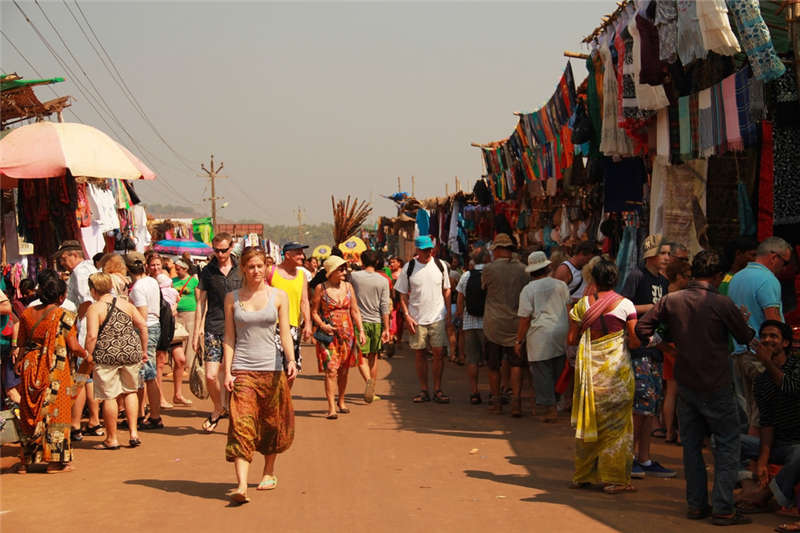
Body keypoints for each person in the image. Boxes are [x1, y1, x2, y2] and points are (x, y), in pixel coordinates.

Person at [635, 250, 756, 525]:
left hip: (687, 383)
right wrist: (743, 323)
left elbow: (642, 329)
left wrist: (665, 346)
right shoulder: (722, 303)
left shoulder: (672, 300)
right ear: (716, 276)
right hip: (716, 384)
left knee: (691, 447)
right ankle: (724, 508)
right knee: (726, 446)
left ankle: (697, 505)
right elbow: (745, 337)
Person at [222, 246, 296, 504]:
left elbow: (284, 333)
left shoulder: (279, 296)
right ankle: (241, 485)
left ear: (266, 267)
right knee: (242, 424)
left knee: (270, 424)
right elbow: (229, 337)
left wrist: (291, 360)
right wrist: (227, 370)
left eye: (260, 266)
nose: (256, 271)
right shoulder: (232, 298)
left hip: (272, 369)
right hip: (243, 370)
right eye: (251, 266)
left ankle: (268, 471)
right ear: (243, 268)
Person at [567, 259, 640, 494]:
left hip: (590, 377)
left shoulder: (580, 307)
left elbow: (571, 339)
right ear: (615, 279)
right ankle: (615, 479)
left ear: (593, 280)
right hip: (617, 377)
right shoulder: (626, 305)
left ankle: (583, 476)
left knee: (590, 422)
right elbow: (636, 341)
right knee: (617, 428)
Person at [619, 233, 674, 479]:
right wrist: (656, 308)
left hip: (655, 350)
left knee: (650, 405)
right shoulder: (637, 276)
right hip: (638, 349)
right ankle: (628, 457)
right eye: (663, 253)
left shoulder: (663, 281)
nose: (666, 258)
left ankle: (645, 457)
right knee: (641, 404)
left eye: (668, 254)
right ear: (651, 254)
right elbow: (624, 307)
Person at [15, 278, 83, 474]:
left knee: (29, 411)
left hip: (30, 364)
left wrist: (20, 362)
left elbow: (21, 344)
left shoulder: (27, 313)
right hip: (54, 367)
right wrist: (87, 356)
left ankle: (26, 460)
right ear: (61, 297)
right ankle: (55, 462)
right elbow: (73, 346)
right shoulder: (65, 316)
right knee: (56, 412)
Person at [735, 321, 800, 517]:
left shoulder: (797, 365)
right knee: (723, 439)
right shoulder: (762, 381)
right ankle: (748, 484)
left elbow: (790, 387)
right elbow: (767, 423)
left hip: (797, 446)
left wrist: (767, 362)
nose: (767, 340)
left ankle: (766, 495)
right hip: (779, 444)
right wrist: (762, 462)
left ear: (786, 343)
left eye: (773, 336)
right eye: (764, 336)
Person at [728, 236, 791, 435]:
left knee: (748, 410)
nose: (784, 267)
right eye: (785, 262)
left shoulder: (737, 277)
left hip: (740, 352)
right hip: (761, 355)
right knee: (763, 414)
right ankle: (757, 461)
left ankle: (748, 458)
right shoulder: (768, 280)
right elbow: (773, 323)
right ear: (774, 257)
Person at [84, 273, 148, 450]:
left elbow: (91, 336)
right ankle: (133, 433)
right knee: (130, 391)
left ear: (93, 289)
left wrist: (87, 356)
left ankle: (112, 439)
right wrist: (143, 350)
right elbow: (142, 325)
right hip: (130, 352)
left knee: (109, 396)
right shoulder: (125, 304)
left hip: (106, 356)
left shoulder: (95, 308)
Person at [54, 240, 103, 443]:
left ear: (75, 255)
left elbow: (86, 302)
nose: (62, 264)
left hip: (83, 333)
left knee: (80, 379)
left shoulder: (80, 273)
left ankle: (75, 425)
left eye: (63, 259)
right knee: (88, 379)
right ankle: (93, 421)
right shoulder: (89, 269)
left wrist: (75, 323)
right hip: (88, 331)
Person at [194, 232, 241, 432]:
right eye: (216, 250)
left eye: (223, 250)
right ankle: (218, 407)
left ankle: (235, 412)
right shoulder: (208, 270)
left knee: (233, 373)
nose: (220, 254)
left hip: (238, 327)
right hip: (213, 326)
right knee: (211, 376)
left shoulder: (241, 269)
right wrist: (198, 330)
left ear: (231, 247)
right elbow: (201, 302)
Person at [515, 251, 571, 422]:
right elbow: (569, 311)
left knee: (542, 371)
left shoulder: (528, 290)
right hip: (561, 329)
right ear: (547, 267)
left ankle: (550, 408)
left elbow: (525, 319)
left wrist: (518, 340)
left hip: (540, 333)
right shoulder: (561, 285)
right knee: (558, 368)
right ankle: (554, 402)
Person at [395, 236, 451, 404]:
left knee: (439, 352)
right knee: (420, 353)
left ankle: (438, 389)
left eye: (430, 250)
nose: (428, 253)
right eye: (425, 250)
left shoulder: (440, 266)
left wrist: (448, 311)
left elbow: (446, 289)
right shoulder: (409, 268)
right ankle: (424, 390)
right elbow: (402, 293)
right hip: (417, 317)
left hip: (437, 316)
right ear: (417, 251)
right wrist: (406, 315)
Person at [312, 256, 366, 418]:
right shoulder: (321, 288)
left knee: (344, 371)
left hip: (347, 334)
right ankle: (331, 407)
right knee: (331, 370)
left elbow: (355, 310)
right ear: (331, 272)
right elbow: (314, 312)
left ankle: (341, 401)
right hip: (329, 335)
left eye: (345, 269)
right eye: (340, 269)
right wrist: (322, 325)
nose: (344, 272)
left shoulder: (348, 287)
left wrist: (361, 330)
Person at [481, 233, 530, 416]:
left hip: (494, 324)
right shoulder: (524, 270)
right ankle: (516, 403)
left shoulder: (489, 269)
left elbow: (484, 288)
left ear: (499, 250)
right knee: (516, 364)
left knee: (494, 365)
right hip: (516, 325)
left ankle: (496, 402)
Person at [126, 252, 164, 430]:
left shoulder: (139, 287)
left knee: (148, 374)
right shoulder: (151, 282)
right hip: (152, 326)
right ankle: (141, 414)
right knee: (144, 375)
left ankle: (154, 416)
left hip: (146, 329)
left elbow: (141, 317)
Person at [267, 242, 313, 386]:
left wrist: (308, 324)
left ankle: (284, 402)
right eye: (298, 253)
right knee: (272, 368)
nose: (302, 256)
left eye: (302, 253)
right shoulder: (270, 271)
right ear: (287, 255)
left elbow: (304, 301)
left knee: (290, 368)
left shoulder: (302, 275)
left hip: (292, 326)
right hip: (271, 326)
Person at [349, 250, 391, 404]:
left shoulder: (353, 277)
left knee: (361, 356)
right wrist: (386, 328)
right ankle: (372, 390)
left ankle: (368, 381)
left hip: (358, 322)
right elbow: (385, 306)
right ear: (377, 263)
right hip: (376, 322)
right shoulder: (383, 281)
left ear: (362, 261)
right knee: (374, 356)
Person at [662, 259, 692, 445]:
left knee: (671, 391)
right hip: (678, 345)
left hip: (666, 344)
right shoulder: (682, 297)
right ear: (679, 276)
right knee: (681, 391)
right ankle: (681, 433)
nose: (691, 279)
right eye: (688, 276)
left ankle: (669, 432)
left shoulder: (666, 295)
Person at [455, 247, 490, 405]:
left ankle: (475, 392)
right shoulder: (491, 275)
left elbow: (460, 300)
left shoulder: (466, 276)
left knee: (472, 359)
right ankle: (494, 391)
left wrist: (463, 317)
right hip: (489, 324)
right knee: (492, 360)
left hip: (469, 324)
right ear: (487, 259)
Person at [171, 258, 198, 406]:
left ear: (186, 269)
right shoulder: (172, 280)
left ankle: (186, 368)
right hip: (176, 317)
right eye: (176, 268)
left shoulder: (194, 282)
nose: (177, 270)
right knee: (178, 350)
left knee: (189, 348)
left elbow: (199, 299)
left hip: (190, 315)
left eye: (179, 268)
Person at [388, 256, 406, 348]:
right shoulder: (388, 273)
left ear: (399, 263)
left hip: (400, 301)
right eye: (390, 262)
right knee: (392, 321)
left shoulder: (403, 273)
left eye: (393, 262)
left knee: (400, 322)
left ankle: (398, 341)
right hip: (391, 301)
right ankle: (391, 339)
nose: (392, 264)